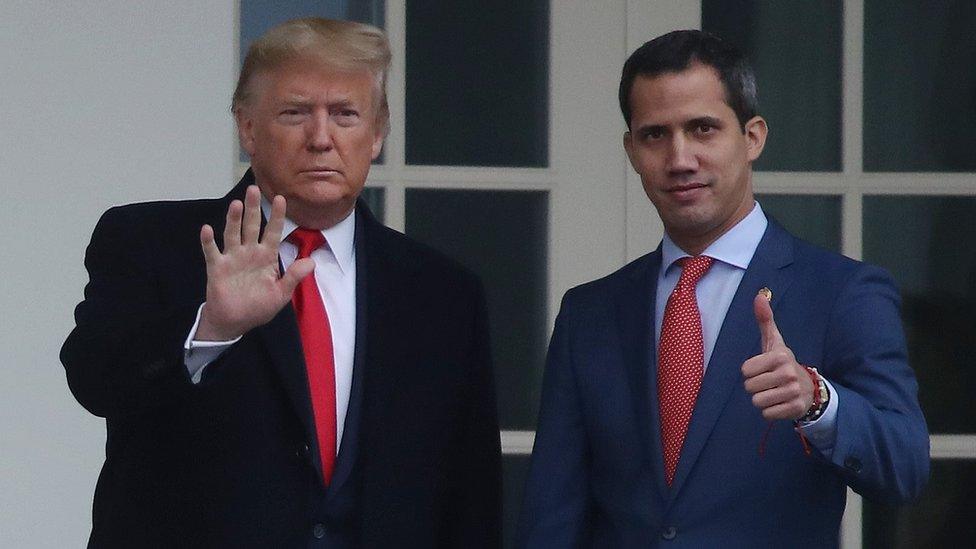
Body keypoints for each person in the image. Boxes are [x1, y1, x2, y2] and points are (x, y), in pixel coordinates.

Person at [61, 17, 500, 548]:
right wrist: (212, 326)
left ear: (378, 133)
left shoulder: (442, 294)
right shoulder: (152, 242)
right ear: (247, 128)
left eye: (345, 114)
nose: (321, 138)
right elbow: (94, 379)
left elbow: (469, 494)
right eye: (295, 113)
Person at [516, 30, 928, 547]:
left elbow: (906, 466)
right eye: (654, 135)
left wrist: (817, 400)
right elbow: (552, 514)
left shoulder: (843, 293)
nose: (680, 157)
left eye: (703, 128)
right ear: (631, 150)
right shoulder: (590, 312)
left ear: (753, 137)